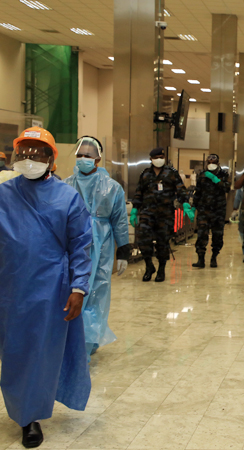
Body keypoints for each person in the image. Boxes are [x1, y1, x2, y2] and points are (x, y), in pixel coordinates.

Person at [0, 127, 92, 447]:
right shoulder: (4, 195)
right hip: (9, 286)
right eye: (24, 153)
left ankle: (30, 417)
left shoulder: (67, 197)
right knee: (14, 351)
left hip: (49, 287)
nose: (29, 159)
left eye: (37, 154)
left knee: (38, 353)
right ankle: (20, 405)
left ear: (51, 160)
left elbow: (80, 245)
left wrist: (78, 288)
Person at [64, 136, 130, 359]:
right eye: (80, 155)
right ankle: (70, 339)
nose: (84, 158)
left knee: (97, 291)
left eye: (88, 155)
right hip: (73, 242)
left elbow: (120, 220)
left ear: (98, 159)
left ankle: (89, 340)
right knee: (72, 289)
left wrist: (123, 250)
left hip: (102, 244)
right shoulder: (66, 185)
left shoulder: (112, 187)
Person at [131, 148, 191, 283]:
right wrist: (135, 208)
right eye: (156, 157)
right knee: (143, 240)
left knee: (162, 243)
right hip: (147, 213)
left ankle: (161, 269)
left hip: (165, 214)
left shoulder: (171, 173)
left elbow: (181, 189)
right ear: (151, 159)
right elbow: (139, 192)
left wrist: (185, 203)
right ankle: (149, 266)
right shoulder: (145, 174)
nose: (159, 159)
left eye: (161, 157)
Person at [191, 154, 230, 268]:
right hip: (204, 210)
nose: (211, 164)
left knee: (217, 235)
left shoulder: (224, 174)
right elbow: (198, 192)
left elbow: (227, 188)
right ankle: (201, 259)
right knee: (201, 234)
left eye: (213, 162)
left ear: (218, 163)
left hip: (218, 210)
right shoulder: (202, 175)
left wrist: (216, 180)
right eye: (209, 162)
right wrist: (193, 207)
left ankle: (214, 257)